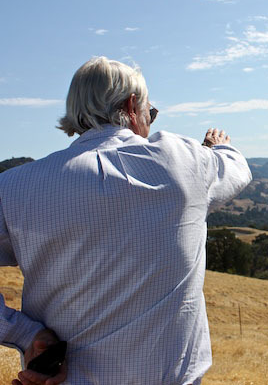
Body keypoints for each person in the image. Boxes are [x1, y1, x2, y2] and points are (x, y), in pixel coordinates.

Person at [0, 57, 252, 384]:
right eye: (152, 112)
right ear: (132, 106)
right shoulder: (184, 161)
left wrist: (22, 333)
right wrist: (216, 150)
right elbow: (236, 170)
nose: (151, 121)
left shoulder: (16, 186)